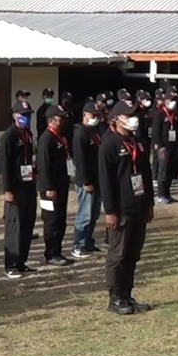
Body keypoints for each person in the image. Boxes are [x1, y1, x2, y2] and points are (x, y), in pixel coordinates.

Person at [98, 104, 154, 315]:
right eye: (128, 116)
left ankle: (127, 294)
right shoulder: (109, 144)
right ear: (116, 118)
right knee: (118, 255)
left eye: (134, 115)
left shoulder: (137, 141)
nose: (133, 119)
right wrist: (110, 211)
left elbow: (146, 173)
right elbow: (106, 180)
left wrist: (150, 203)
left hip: (139, 205)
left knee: (132, 254)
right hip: (121, 210)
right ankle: (115, 298)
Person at [0, 99, 39, 279]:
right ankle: (11, 264)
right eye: (23, 115)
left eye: (28, 115)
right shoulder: (9, 136)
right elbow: (6, 164)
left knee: (27, 224)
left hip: (29, 184)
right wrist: (8, 189)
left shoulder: (28, 134)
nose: (26, 117)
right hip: (15, 187)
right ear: (15, 116)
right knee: (14, 227)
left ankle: (22, 261)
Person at [37, 105, 72, 266]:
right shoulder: (47, 138)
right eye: (60, 118)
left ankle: (57, 251)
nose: (63, 120)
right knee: (52, 221)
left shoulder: (59, 136)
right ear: (51, 120)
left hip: (61, 185)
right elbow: (43, 165)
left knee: (61, 220)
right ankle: (50, 253)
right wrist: (48, 187)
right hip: (50, 189)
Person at [71, 101, 103, 259]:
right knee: (85, 214)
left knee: (94, 213)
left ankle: (88, 241)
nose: (95, 118)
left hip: (97, 179)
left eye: (97, 116)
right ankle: (78, 244)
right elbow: (80, 161)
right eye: (92, 116)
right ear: (85, 115)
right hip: (86, 181)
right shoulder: (81, 134)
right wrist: (86, 182)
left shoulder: (95, 131)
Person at [152, 91, 178, 204]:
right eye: (171, 100)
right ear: (165, 101)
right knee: (163, 171)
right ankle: (161, 194)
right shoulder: (160, 114)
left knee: (170, 171)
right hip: (163, 147)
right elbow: (155, 131)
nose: (173, 103)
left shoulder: (175, 114)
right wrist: (159, 145)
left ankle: (167, 193)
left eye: (174, 100)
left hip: (173, 146)